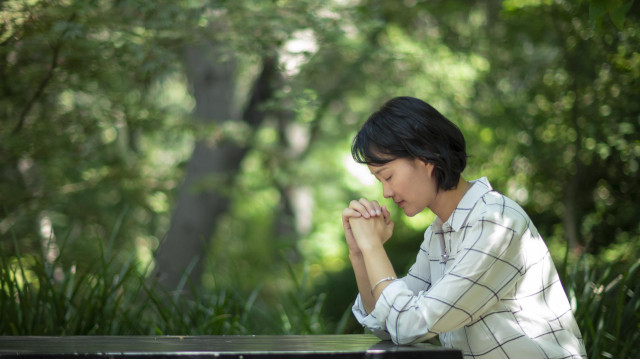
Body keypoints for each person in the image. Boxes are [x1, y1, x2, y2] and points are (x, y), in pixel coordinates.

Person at [341, 96, 586, 358]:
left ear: (425, 156)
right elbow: (386, 325)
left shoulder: (495, 223)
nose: (386, 192)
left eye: (387, 176)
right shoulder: (439, 233)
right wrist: (360, 253)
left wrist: (374, 247)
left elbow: (408, 324)